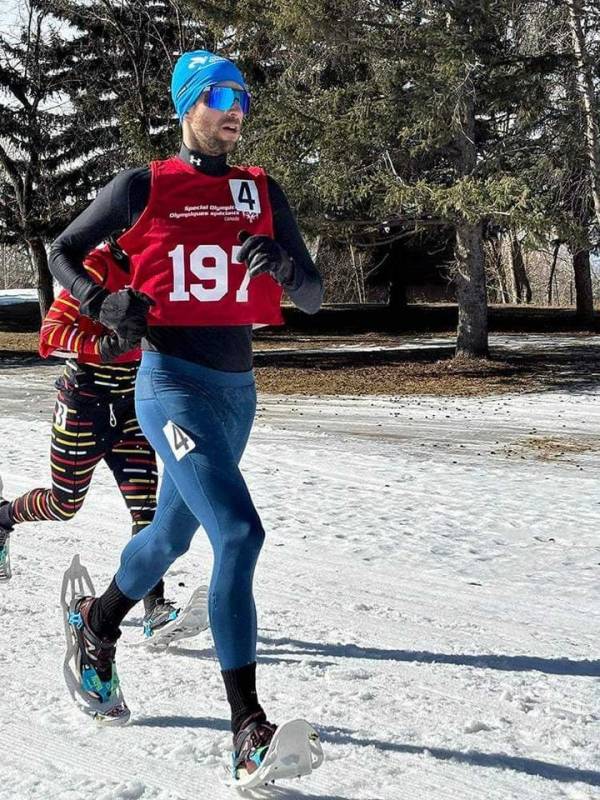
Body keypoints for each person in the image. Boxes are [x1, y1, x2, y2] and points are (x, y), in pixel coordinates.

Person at [49, 49, 323, 778]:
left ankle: (97, 623)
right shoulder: (142, 186)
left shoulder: (261, 190)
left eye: (243, 97)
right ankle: (248, 731)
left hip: (237, 394)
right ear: (187, 105)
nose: (236, 110)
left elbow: (315, 293)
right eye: (220, 96)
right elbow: (63, 250)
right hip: (169, 385)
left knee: (170, 535)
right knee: (239, 532)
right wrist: (102, 302)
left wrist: (284, 266)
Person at [0, 242, 179, 637]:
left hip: (132, 407)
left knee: (146, 510)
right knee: (64, 504)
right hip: (84, 406)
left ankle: (155, 607)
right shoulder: (98, 267)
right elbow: (49, 335)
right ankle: (3, 516)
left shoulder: (166, 266)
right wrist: (102, 346)